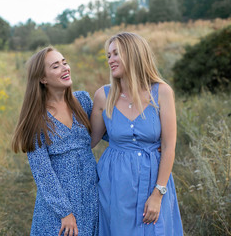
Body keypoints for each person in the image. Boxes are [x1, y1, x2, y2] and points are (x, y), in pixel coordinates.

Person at [91, 32, 183, 235]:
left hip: (154, 179)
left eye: (116, 53)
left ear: (134, 55)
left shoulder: (162, 92)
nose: (110, 60)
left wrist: (158, 194)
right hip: (115, 183)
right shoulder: (103, 96)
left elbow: (169, 147)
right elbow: (88, 141)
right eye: (108, 55)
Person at [12, 46, 98, 236]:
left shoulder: (82, 101)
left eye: (65, 62)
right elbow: (43, 172)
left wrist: (144, 142)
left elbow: (108, 133)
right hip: (59, 204)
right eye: (56, 66)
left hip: (91, 194)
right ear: (43, 79)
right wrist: (65, 212)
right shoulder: (37, 118)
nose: (65, 68)